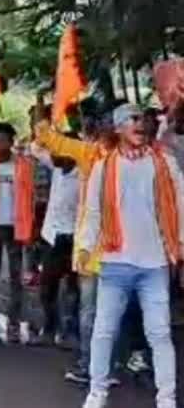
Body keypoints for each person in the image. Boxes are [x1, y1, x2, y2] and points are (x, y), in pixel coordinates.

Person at [79, 104, 184, 408]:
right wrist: (86, 246)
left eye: (143, 119)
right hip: (115, 262)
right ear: (118, 128)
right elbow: (94, 211)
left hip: (155, 264)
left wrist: (180, 246)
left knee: (160, 333)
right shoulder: (104, 166)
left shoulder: (165, 163)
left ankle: (167, 398)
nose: (140, 124)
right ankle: (97, 392)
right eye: (132, 119)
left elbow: (180, 205)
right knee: (103, 331)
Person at [33, 102, 114, 386]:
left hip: (122, 249)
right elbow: (44, 142)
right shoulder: (87, 156)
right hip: (85, 246)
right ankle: (89, 362)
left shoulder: (137, 160)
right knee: (86, 307)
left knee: (110, 309)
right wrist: (42, 116)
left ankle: (110, 363)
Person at [0, 121, 38, 343]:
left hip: (15, 227)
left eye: (1, 140)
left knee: (14, 277)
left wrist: (31, 229)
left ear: (11, 142)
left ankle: (13, 322)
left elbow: (32, 198)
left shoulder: (24, 166)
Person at [29, 138, 81, 349]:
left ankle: (70, 332)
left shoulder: (84, 176)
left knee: (73, 289)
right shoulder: (57, 168)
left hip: (74, 239)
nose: (53, 156)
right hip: (52, 237)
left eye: (59, 152)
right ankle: (49, 328)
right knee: (46, 288)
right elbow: (36, 147)